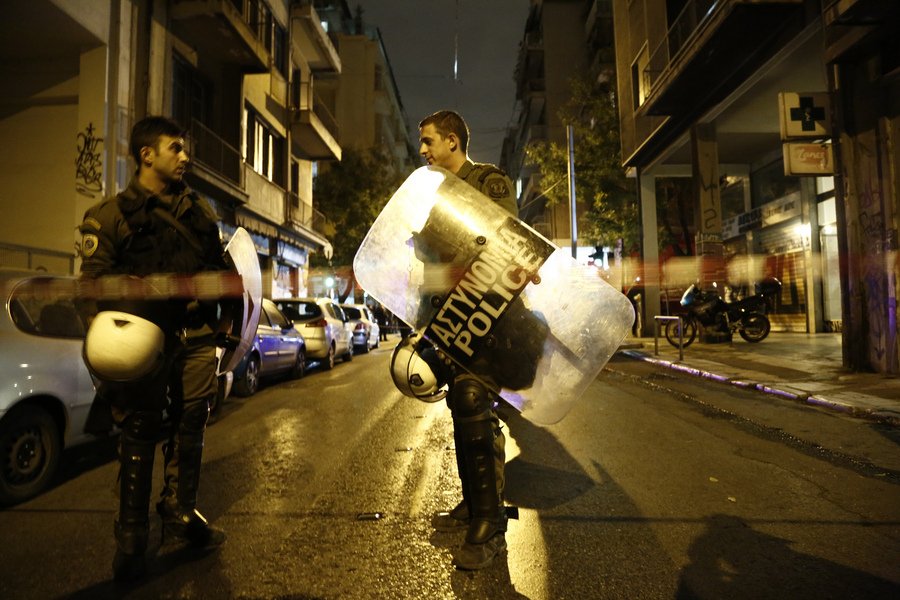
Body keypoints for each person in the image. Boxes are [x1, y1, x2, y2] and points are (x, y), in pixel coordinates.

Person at [78, 116, 229, 583]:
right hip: (141, 339)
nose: (185, 157)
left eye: (184, 149)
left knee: (192, 421)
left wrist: (219, 307)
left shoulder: (200, 212)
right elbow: (91, 288)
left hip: (196, 336)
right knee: (140, 428)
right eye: (175, 148)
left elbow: (220, 269)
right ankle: (131, 536)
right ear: (147, 155)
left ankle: (180, 512)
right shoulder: (110, 216)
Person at [417, 110, 518, 570]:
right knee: (461, 411)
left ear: (452, 141)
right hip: (449, 320)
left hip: (487, 318)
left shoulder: (489, 182)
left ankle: (489, 523)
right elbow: (429, 264)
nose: (423, 150)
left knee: (473, 399)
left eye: (429, 141)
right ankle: (475, 501)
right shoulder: (438, 195)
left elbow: (505, 242)